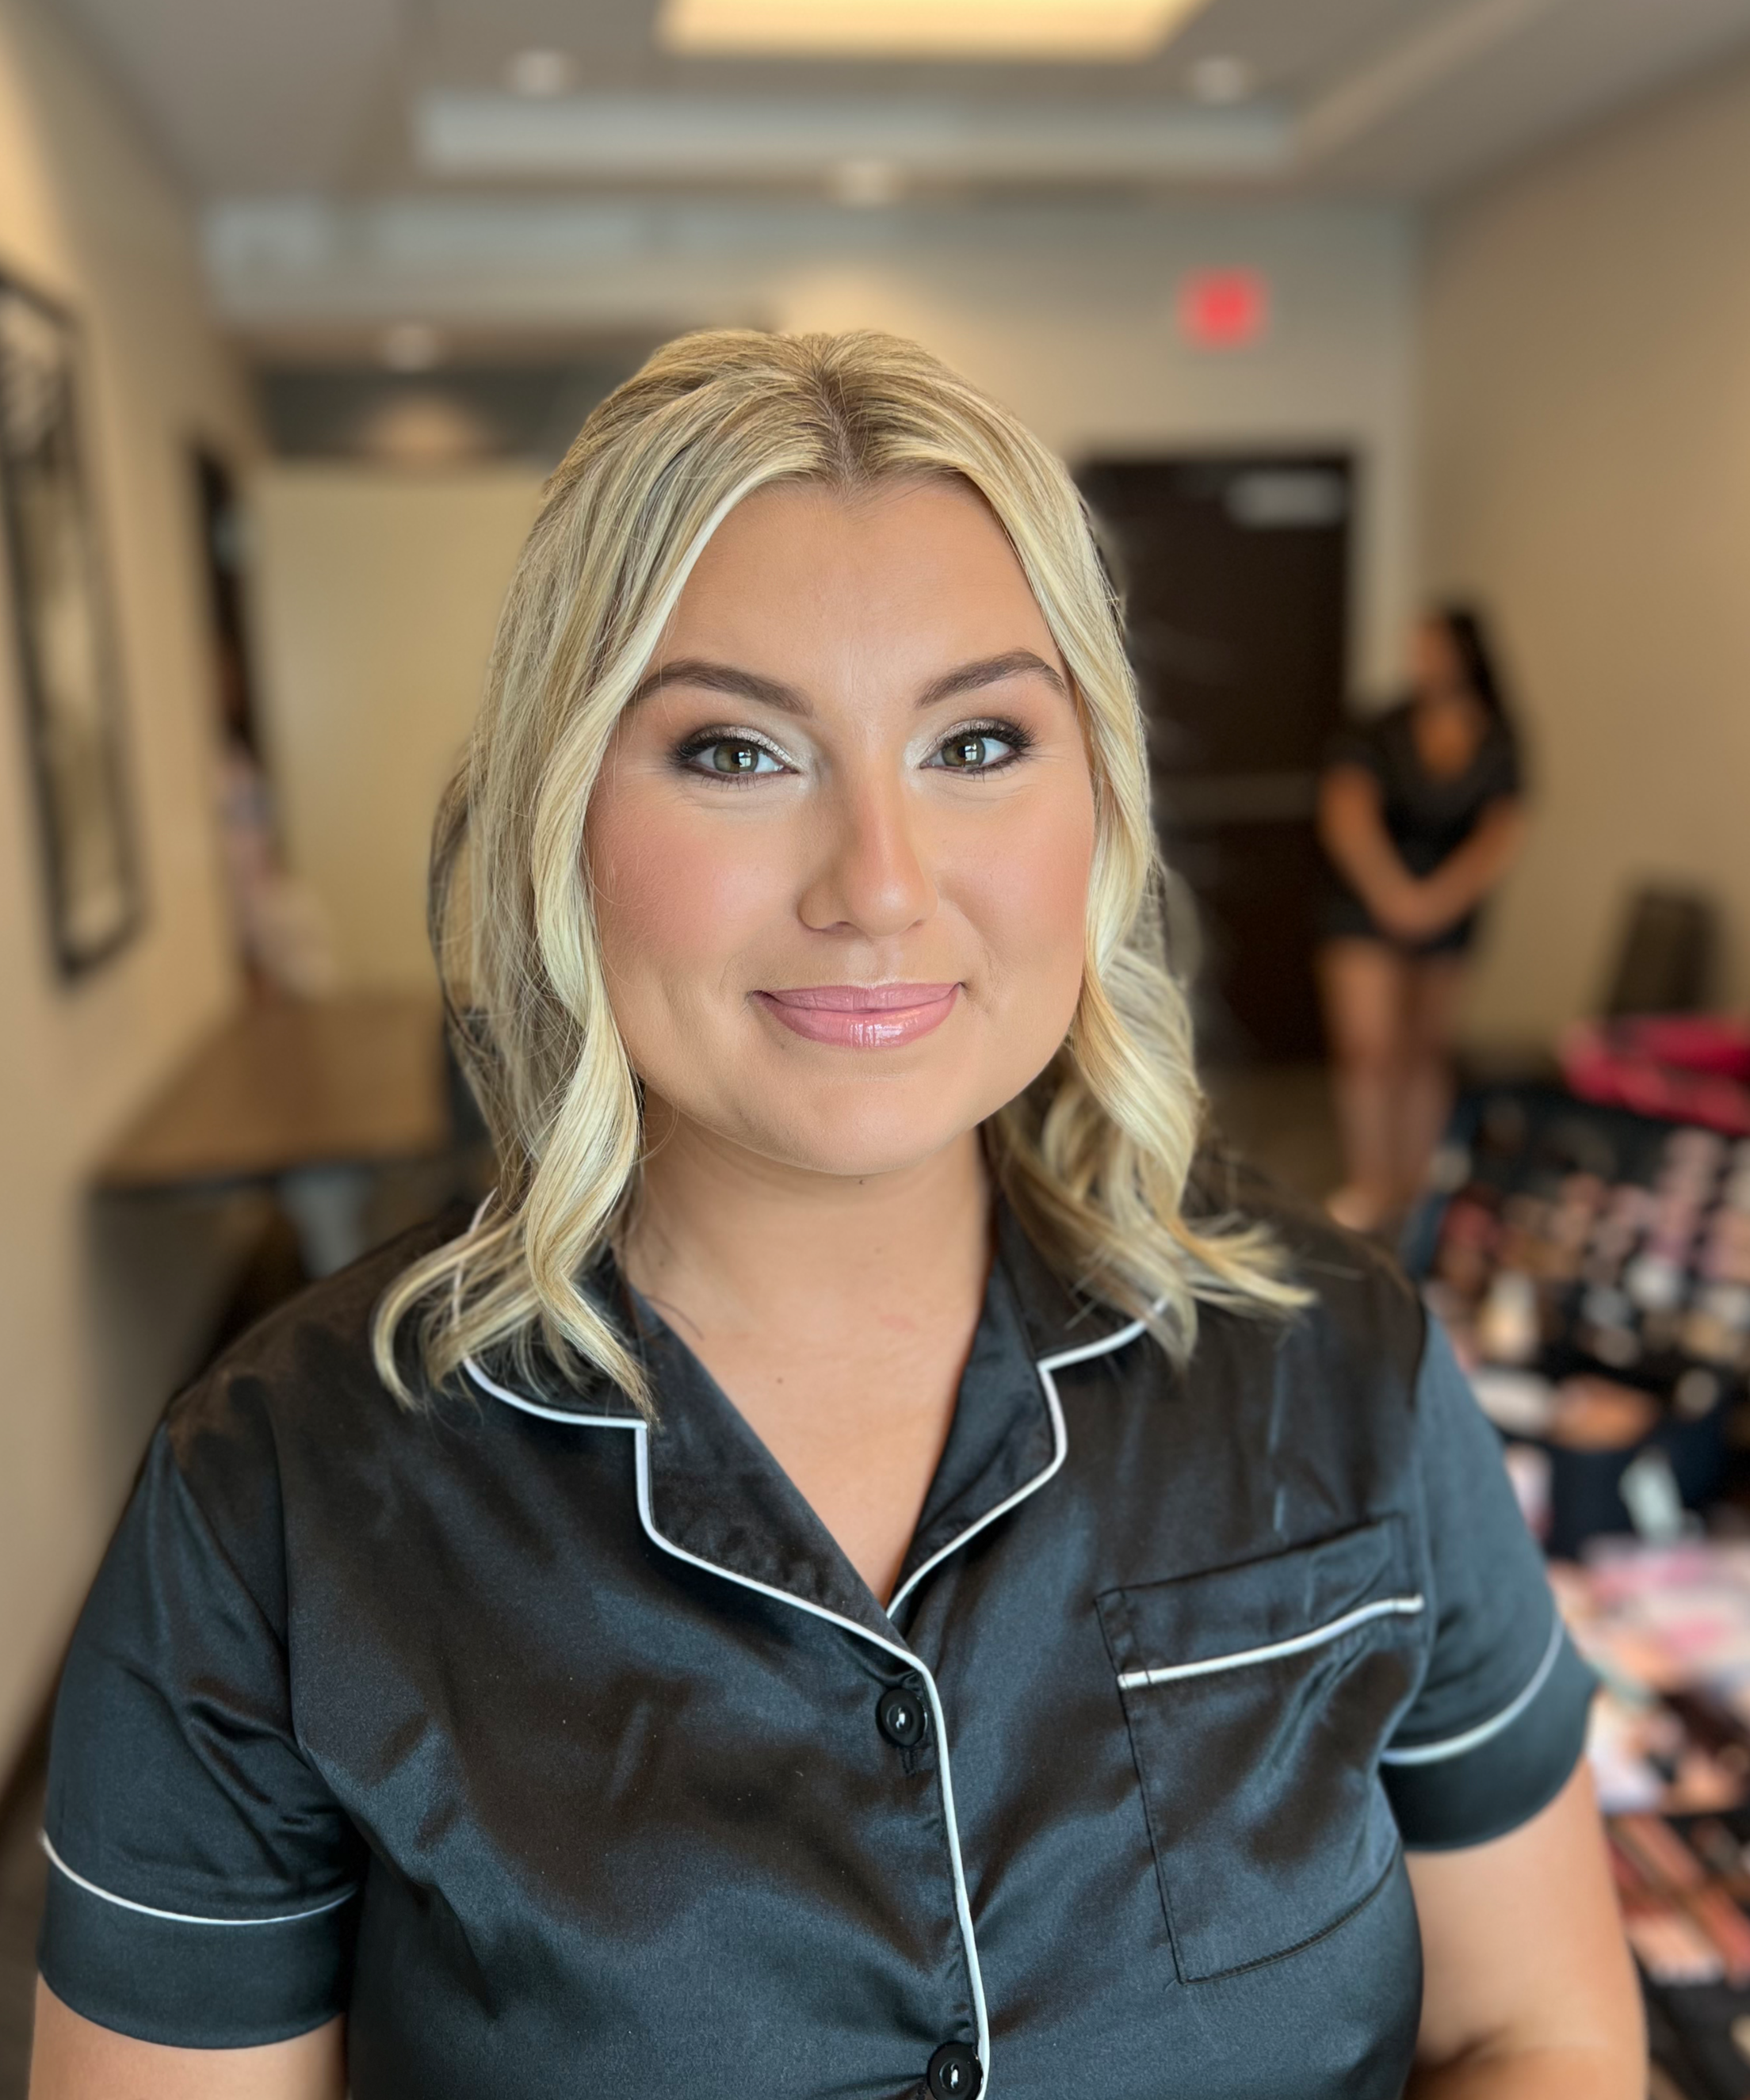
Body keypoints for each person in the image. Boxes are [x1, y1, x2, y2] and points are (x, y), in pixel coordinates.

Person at [30, 334, 1637, 2099]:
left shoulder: (1342, 1365)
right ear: (560, 815)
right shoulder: (272, 1500)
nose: (878, 882)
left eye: (976, 738)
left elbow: (1536, 2026)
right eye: (734, 748)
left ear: (1096, 800)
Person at [1317, 607, 1527, 1235]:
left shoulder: (1500, 736)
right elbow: (1346, 812)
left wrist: (1439, 900)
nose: (1420, 659)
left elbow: (1501, 831)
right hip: (1364, 899)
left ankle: (1417, 1184)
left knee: (1425, 1049)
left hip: (1449, 906)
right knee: (1369, 1046)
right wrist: (1393, 893)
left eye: (1431, 646)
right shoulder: (1379, 726)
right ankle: (1371, 1182)